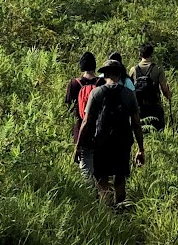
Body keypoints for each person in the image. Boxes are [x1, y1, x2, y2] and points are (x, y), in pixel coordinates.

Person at [73, 57, 146, 207]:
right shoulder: (128, 94)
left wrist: (78, 146)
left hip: (102, 142)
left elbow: (87, 122)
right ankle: (119, 208)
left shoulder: (96, 93)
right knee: (120, 177)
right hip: (123, 142)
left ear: (104, 75)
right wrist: (140, 149)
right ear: (119, 75)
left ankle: (107, 209)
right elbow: (137, 124)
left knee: (101, 177)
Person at [64, 52, 102, 179]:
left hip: (81, 131)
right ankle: (102, 195)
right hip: (101, 131)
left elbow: (68, 108)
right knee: (101, 168)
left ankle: (89, 196)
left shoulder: (74, 84)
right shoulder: (101, 83)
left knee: (85, 168)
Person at [132, 42, 172, 131]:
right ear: (151, 54)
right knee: (158, 131)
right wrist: (169, 95)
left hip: (139, 106)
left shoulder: (133, 69)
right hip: (154, 105)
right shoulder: (158, 69)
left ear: (140, 54)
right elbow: (164, 88)